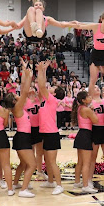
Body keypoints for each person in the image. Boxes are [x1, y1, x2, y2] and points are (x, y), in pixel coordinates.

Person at [36, 61, 64, 195]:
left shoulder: (52, 100)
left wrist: (42, 71)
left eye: (52, 88)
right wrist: (42, 71)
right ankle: (51, 181)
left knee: (52, 162)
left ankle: (59, 185)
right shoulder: (46, 101)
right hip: (45, 133)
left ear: (55, 93)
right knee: (47, 160)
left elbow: (41, 86)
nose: (50, 88)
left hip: (52, 133)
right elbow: (41, 87)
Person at [9, 64, 36, 198]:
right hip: (23, 137)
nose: (18, 96)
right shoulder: (18, 107)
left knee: (24, 163)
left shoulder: (18, 107)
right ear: (14, 101)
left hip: (21, 137)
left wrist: (25, 74)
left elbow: (23, 91)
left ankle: (15, 184)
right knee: (32, 164)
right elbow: (25, 91)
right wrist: (28, 76)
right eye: (16, 95)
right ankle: (24, 189)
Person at [72, 91, 99, 193]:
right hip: (86, 135)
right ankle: (85, 185)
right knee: (86, 163)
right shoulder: (87, 109)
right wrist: (93, 111)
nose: (90, 97)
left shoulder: (80, 108)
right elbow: (96, 120)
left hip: (81, 134)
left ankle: (77, 181)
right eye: (88, 96)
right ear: (83, 100)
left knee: (80, 162)